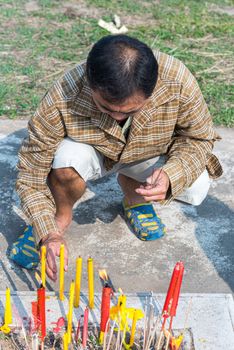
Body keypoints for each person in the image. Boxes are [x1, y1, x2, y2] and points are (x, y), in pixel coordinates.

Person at [10, 35, 222, 281]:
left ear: (153, 89)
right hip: (93, 151)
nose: (118, 118)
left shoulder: (177, 79)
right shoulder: (62, 95)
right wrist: (46, 230)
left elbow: (199, 138)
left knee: (197, 186)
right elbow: (31, 176)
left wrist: (171, 175)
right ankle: (59, 217)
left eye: (131, 111)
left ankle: (135, 197)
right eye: (106, 108)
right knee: (64, 160)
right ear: (90, 83)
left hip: (150, 152)